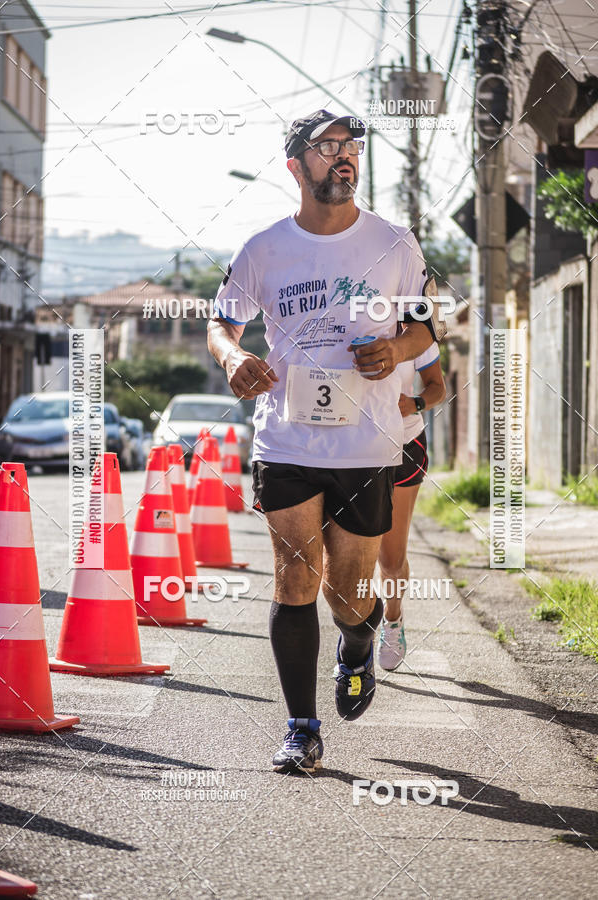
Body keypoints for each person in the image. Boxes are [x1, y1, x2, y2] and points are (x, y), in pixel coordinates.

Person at [207, 109, 437, 774]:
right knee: (294, 576)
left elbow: (425, 333)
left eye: (351, 146)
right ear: (296, 167)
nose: (345, 156)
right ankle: (301, 729)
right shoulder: (264, 248)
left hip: (367, 447)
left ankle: (358, 645)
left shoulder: (395, 243)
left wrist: (395, 346)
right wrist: (231, 360)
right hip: (285, 440)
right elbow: (223, 324)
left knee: (349, 591)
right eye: (328, 146)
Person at [377, 342, 446, 670]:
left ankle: (392, 618)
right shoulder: (346, 315)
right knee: (347, 556)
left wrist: (414, 403)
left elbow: (437, 388)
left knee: (390, 561)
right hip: (350, 446)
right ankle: (354, 634)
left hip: (405, 442)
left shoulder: (415, 330)